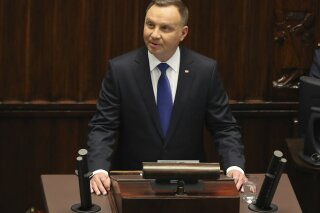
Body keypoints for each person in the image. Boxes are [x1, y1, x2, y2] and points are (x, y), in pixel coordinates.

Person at [87, 0, 247, 196]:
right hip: (134, 184)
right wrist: (98, 169)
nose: (154, 34)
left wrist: (234, 167)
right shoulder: (121, 70)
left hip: (190, 185)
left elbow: (224, 127)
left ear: (183, 33)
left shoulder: (205, 71)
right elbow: (104, 126)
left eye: (165, 28)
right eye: (150, 24)